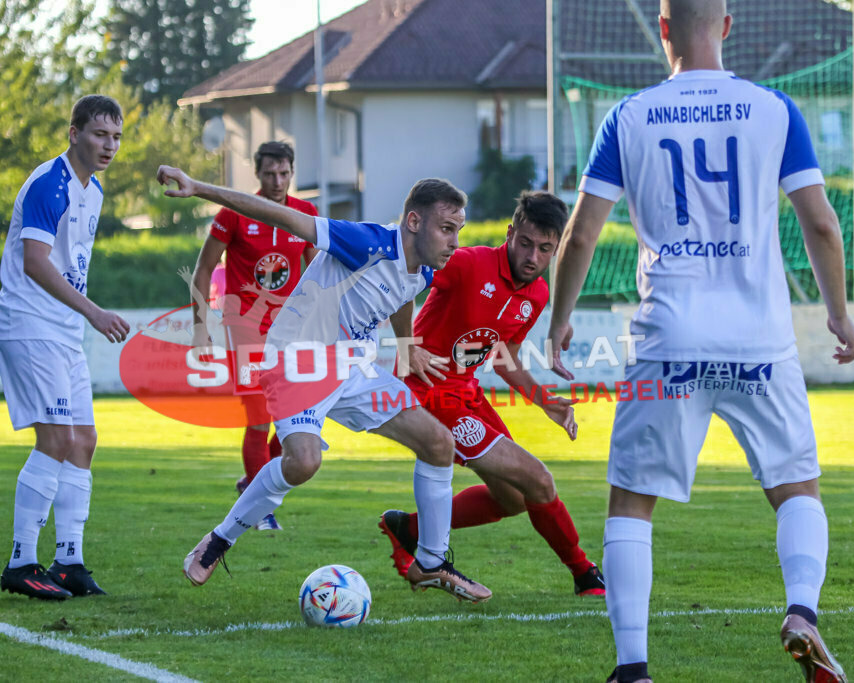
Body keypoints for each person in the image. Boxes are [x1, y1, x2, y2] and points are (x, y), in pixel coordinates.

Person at [548, 1, 854, 681]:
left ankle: (633, 667)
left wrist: (558, 320)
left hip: (669, 339)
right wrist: (838, 313)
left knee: (632, 501)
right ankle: (802, 611)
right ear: (725, 26)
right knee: (796, 487)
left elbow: (580, 234)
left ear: (664, 29)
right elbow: (822, 224)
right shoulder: (773, 109)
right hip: (760, 340)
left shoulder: (628, 116)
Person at [157, 164, 493, 603]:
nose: (455, 241)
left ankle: (430, 562)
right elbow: (280, 216)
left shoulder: (424, 269)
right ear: (414, 221)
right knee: (303, 463)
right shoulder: (366, 241)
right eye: (447, 229)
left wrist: (406, 344)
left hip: (354, 366)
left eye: (458, 230)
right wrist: (198, 188)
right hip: (299, 360)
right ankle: (220, 538)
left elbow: (400, 296)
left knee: (438, 443)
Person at [378, 190, 606, 597]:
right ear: (509, 232)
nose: (532, 256)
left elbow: (505, 357)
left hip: (467, 394)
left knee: (514, 499)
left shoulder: (537, 294)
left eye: (545, 249)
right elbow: (404, 275)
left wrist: (543, 400)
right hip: (431, 393)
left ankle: (408, 528)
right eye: (525, 243)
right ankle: (584, 572)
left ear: (555, 252)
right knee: (538, 479)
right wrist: (405, 345)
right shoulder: (468, 264)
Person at [0, 95, 129, 600]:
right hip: (30, 325)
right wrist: (93, 311)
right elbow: (35, 261)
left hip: (62, 332)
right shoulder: (51, 183)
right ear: (74, 134)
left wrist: (82, 317)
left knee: (84, 441)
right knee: (55, 440)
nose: (108, 145)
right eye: (98, 134)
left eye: (115, 137)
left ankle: (68, 560)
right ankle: (20, 562)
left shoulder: (92, 190)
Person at [189, 141, 318, 529]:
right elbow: (202, 270)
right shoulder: (235, 213)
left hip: (292, 330)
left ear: (292, 172)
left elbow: (316, 275)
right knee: (259, 417)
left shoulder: (306, 213)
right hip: (246, 326)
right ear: (257, 175)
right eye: (269, 174)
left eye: (284, 173)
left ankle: (252, 482)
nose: (277, 181)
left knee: (294, 419)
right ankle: (261, 509)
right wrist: (200, 329)